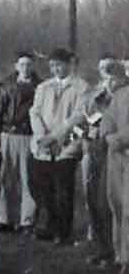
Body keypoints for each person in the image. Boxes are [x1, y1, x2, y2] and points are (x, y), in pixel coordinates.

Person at [69, 58, 128, 267]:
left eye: (113, 75)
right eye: (104, 73)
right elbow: (79, 123)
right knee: (93, 201)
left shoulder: (123, 97)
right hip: (92, 151)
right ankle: (103, 248)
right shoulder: (96, 97)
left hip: (112, 154)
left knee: (109, 204)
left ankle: (116, 252)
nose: (109, 80)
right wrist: (84, 133)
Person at [29, 47, 89, 245]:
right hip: (43, 146)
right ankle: (50, 225)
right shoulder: (43, 87)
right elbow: (34, 112)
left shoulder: (81, 87)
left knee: (63, 189)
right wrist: (41, 136)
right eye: (52, 66)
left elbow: (78, 116)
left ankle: (63, 231)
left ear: (69, 64)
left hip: (67, 143)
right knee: (44, 188)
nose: (56, 69)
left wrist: (55, 137)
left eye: (59, 65)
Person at [0, 51, 41, 233]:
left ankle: (27, 221)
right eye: (22, 64)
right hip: (7, 134)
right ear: (16, 66)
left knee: (28, 179)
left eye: (28, 65)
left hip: (27, 135)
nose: (25, 68)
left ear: (33, 67)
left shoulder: (39, 87)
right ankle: (4, 219)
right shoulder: (6, 84)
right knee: (6, 178)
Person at [103, 75, 129, 274]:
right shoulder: (120, 94)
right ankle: (120, 255)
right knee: (117, 205)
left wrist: (118, 139)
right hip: (117, 157)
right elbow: (107, 120)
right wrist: (109, 137)